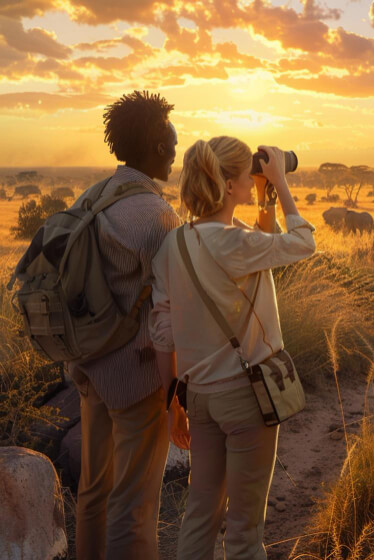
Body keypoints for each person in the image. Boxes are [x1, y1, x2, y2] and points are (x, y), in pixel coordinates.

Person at [149, 139, 316, 559]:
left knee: (200, 513)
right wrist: (279, 180)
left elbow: (162, 332)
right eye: (247, 176)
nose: (252, 180)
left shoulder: (176, 243)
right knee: (244, 529)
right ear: (227, 186)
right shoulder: (232, 243)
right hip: (245, 399)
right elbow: (302, 242)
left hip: (199, 398)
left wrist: (174, 406)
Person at [67, 90, 181, 560]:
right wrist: (175, 390)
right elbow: (172, 310)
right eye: (172, 142)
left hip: (90, 366)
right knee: (133, 505)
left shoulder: (91, 197)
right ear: (156, 144)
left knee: (94, 492)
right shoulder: (157, 216)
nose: (176, 150)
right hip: (138, 378)